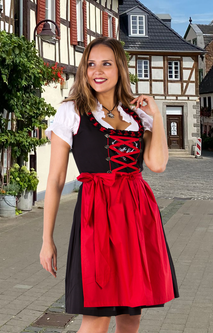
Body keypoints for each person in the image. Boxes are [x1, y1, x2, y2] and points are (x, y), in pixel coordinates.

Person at [40, 37, 179, 333]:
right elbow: (54, 181)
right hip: (97, 218)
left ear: (120, 69)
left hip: (137, 218)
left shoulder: (137, 116)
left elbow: (157, 164)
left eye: (106, 63)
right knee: (97, 317)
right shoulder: (72, 112)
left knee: (131, 317)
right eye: (90, 64)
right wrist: (46, 239)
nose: (97, 71)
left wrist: (157, 114)